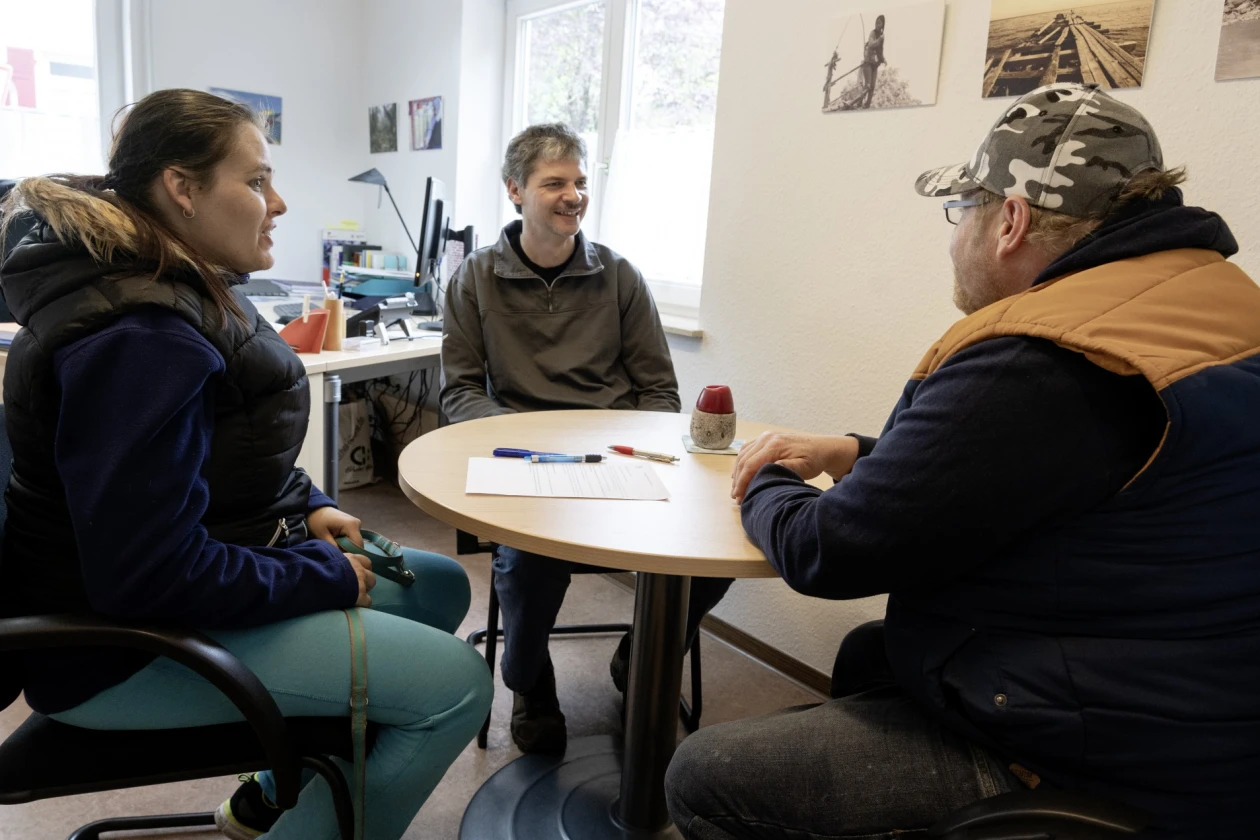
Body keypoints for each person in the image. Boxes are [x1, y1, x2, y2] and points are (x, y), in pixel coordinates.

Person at [664, 83, 1260, 839]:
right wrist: (855, 454)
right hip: (1207, 714)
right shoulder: (1208, 305)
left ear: (1010, 220)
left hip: (1104, 760)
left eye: (961, 210)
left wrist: (766, 478)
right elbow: (1037, 473)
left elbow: (828, 551)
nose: (954, 239)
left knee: (705, 774)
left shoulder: (1042, 360)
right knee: (871, 654)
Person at [0, 89, 492, 840]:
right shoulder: (142, 338)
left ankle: (265, 804)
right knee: (456, 687)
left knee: (439, 585)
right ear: (183, 189)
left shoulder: (172, 282)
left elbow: (227, 446)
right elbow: (147, 576)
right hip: (117, 652)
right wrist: (320, 574)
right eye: (257, 180)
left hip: (160, 601)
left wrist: (307, 501)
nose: (279, 202)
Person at [440, 122, 733, 755]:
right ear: (515, 190)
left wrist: (625, 454)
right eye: (554, 183)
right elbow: (459, 392)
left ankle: (642, 655)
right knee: (528, 562)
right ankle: (530, 682)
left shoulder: (620, 276)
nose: (573, 196)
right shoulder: (474, 279)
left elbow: (659, 392)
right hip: (526, 462)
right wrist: (528, 448)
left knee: (719, 543)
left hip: (613, 457)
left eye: (579, 182)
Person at [859, 14, 885, 109]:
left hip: (875, 64)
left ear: (882, 25)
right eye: (876, 23)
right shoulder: (872, 33)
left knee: (873, 86)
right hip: (868, 62)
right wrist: (879, 40)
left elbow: (880, 50)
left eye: (880, 23)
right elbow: (871, 44)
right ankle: (859, 102)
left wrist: (883, 59)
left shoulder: (882, 36)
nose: (878, 25)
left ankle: (867, 105)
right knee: (868, 85)